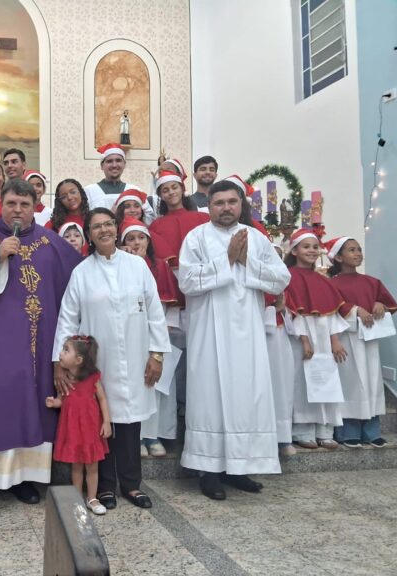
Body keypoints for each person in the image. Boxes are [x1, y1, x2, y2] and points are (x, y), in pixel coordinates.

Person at [0, 178, 82, 506]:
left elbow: (81, 279)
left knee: (31, 405)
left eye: (25, 204)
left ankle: (25, 478)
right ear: (1, 204)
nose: (18, 210)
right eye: (11, 204)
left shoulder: (52, 243)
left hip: (38, 345)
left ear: (35, 207)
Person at [178, 180, 290, 500]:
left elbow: (281, 279)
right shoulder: (196, 238)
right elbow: (187, 282)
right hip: (209, 336)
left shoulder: (256, 238)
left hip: (247, 335)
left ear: (241, 204)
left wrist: (246, 262)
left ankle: (239, 467)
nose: (226, 208)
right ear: (209, 207)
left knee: (246, 397)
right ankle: (209, 472)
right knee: (210, 400)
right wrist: (225, 260)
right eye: (219, 203)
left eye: (231, 202)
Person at [54, 208, 169, 510]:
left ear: (116, 228)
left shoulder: (137, 266)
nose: (104, 230)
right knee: (99, 424)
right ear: (89, 235)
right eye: (96, 227)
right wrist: (59, 363)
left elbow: (155, 312)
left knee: (130, 424)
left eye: (108, 224)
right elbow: (67, 319)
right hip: (98, 362)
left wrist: (157, 354)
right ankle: (105, 486)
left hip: (135, 355)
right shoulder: (82, 272)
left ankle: (131, 484)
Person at [327, 237, 396, 447]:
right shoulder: (332, 283)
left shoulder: (372, 282)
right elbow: (330, 309)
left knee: (372, 382)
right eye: (351, 250)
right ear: (339, 257)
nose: (358, 253)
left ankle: (372, 431)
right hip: (346, 339)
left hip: (369, 340)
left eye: (358, 249)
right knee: (351, 384)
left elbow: (389, 304)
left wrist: (379, 303)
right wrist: (355, 309)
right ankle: (348, 431)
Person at [119, 218, 179, 458]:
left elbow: (171, 306)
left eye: (141, 237)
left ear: (148, 241)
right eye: (130, 238)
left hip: (156, 335)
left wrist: (165, 331)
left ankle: (153, 435)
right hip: (130, 336)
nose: (136, 243)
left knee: (157, 387)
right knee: (135, 385)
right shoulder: (120, 267)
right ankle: (137, 438)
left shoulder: (160, 266)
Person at [284, 230, 350, 450]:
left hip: (324, 339)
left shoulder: (323, 280)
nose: (312, 251)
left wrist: (335, 340)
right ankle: (303, 430)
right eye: (306, 247)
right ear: (294, 251)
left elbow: (331, 313)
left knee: (327, 380)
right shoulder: (289, 277)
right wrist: (304, 340)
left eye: (315, 247)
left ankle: (325, 430)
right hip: (301, 338)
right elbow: (293, 312)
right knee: (302, 382)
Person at [46, 336, 111, 515]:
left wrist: (106, 422)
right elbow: (62, 399)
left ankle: (92, 498)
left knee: (92, 466)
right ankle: (77, 498)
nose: (61, 353)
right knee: (76, 466)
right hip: (73, 429)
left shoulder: (92, 378)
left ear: (79, 360)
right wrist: (54, 403)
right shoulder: (65, 379)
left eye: (66, 350)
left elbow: (102, 399)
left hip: (90, 428)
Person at [264, 245, 297, 456]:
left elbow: (293, 316)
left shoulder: (283, 284)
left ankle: (283, 438)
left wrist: (283, 310)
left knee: (282, 386)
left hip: (280, 339)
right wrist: (272, 310)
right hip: (259, 340)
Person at [84, 143, 149, 214]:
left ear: (124, 164)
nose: (114, 165)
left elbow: (149, 216)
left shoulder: (135, 190)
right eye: (109, 161)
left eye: (118, 160)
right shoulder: (89, 191)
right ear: (102, 166)